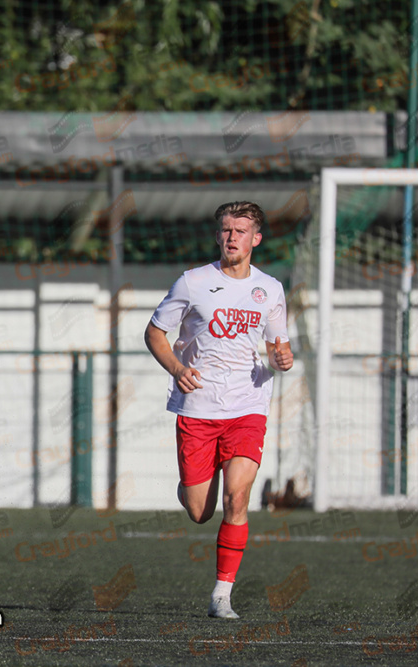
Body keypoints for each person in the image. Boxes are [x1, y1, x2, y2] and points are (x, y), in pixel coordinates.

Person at [144, 201, 293, 619]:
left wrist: (282, 358)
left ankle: (222, 595)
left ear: (256, 239)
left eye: (241, 231)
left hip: (248, 404)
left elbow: (278, 345)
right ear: (217, 236)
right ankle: (191, 488)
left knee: (237, 496)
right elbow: (154, 333)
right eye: (226, 230)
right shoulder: (192, 282)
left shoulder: (271, 289)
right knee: (199, 511)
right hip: (199, 406)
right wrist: (176, 367)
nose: (232, 238)